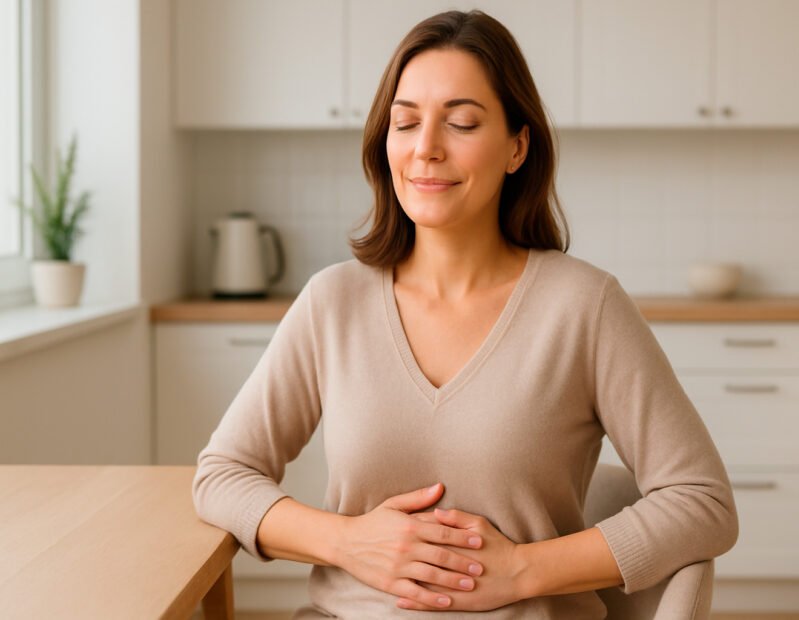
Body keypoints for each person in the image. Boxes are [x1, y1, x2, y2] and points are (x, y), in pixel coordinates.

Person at [192, 9, 738, 619]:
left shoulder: (585, 307)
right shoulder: (332, 302)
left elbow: (702, 501)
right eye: (405, 123)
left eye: (461, 122)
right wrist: (349, 543)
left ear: (516, 147)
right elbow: (221, 475)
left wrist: (522, 572)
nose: (426, 148)